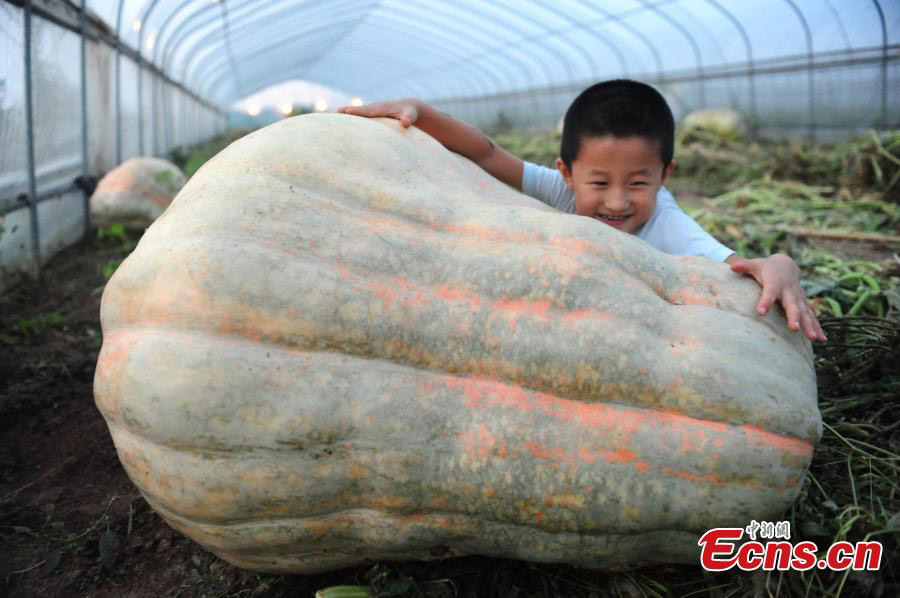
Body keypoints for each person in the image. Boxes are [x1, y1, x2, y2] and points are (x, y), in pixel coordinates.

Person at [337, 79, 825, 342]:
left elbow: (738, 266)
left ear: (666, 175)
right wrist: (418, 109)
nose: (616, 202)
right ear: (565, 173)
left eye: (638, 183)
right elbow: (486, 153)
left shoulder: (667, 223)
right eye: (599, 182)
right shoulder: (561, 192)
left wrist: (782, 266)